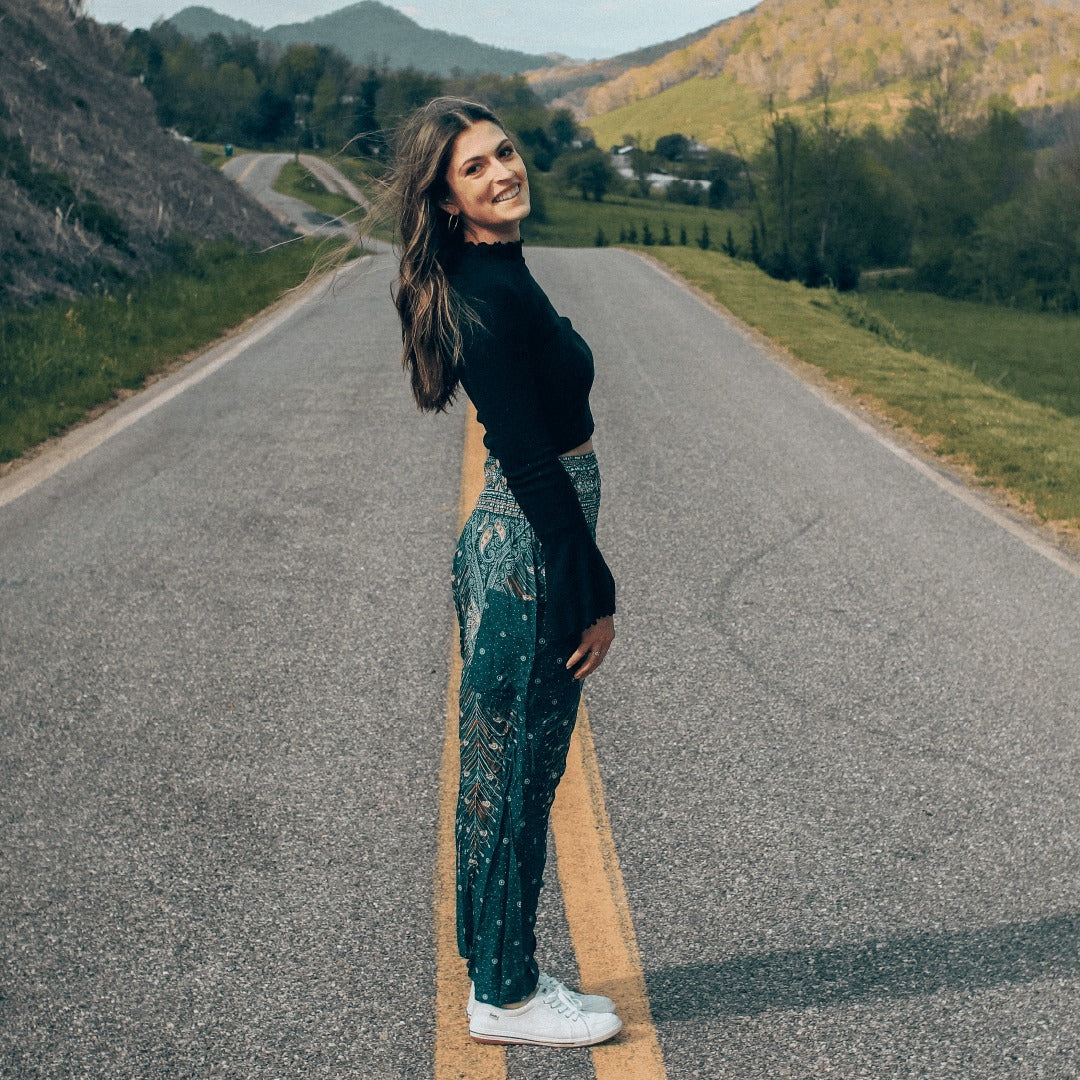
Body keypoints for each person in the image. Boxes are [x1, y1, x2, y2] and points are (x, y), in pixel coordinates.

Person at [385, 97, 621, 1049]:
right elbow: (528, 459)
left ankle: (501, 973)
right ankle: (508, 995)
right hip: (528, 544)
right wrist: (588, 583)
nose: (502, 172)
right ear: (448, 203)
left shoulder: (499, 272)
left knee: (507, 771)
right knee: (517, 776)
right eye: (474, 168)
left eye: (505, 152)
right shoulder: (484, 292)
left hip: (522, 541)